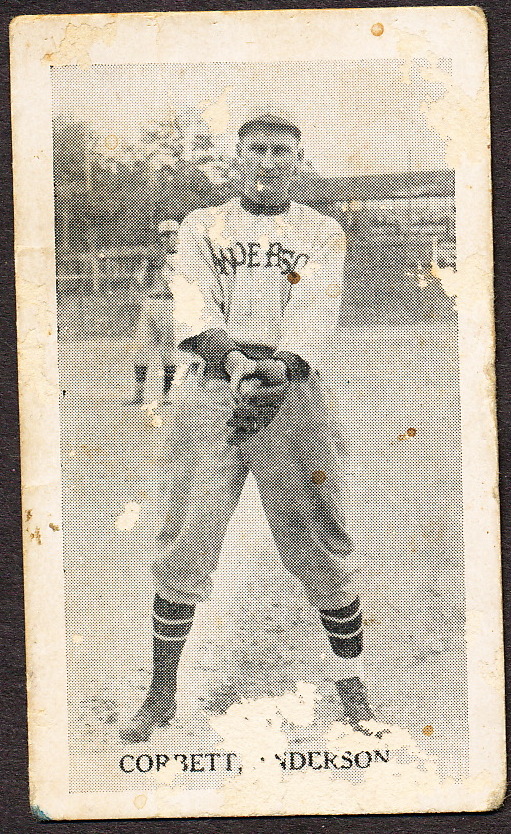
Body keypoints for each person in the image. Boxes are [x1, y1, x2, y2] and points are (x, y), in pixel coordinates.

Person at [120, 111, 375, 743]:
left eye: (281, 152)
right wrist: (233, 359)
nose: (268, 162)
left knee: (319, 535)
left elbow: (315, 307)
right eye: (256, 150)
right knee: (186, 536)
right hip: (212, 387)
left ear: (298, 162)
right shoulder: (203, 225)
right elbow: (193, 301)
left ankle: (352, 688)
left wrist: (278, 369)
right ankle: (161, 692)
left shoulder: (322, 231)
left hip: (295, 392)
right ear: (238, 160)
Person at [125, 218, 179, 405]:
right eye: (163, 235)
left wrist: (162, 264)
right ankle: (138, 394)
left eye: (171, 235)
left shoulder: (184, 256)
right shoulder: (154, 256)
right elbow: (139, 281)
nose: (167, 239)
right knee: (141, 348)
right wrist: (148, 264)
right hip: (150, 303)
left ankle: (166, 395)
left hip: (170, 304)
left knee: (168, 351)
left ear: (178, 236)